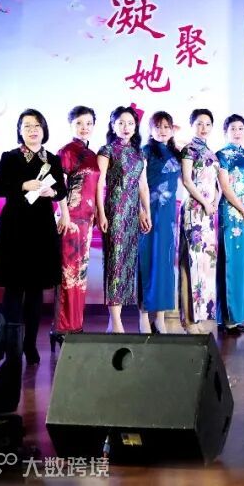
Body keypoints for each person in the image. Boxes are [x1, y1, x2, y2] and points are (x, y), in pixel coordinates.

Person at [0, 109, 68, 365]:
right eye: (27, 126)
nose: (32, 130)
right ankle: (11, 346)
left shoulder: (53, 159)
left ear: (44, 129)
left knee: (35, 291)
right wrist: (23, 185)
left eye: (37, 126)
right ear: (19, 130)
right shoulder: (10, 157)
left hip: (41, 229)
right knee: (14, 290)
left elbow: (61, 191)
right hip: (14, 228)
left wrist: (51, 192)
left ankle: (30, 345)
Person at [96, 106, 151, 333]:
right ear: (113, 126)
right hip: (115, 211)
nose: (125, 127)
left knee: (127, 265)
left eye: (130, 123)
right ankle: (116, 322)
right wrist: (101, 212)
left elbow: (143, 186)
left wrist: (145, 211)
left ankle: (114, 321)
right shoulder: (107, 150)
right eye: (120, 123)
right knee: (115, 263)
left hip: (132, 214)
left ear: (135, 126)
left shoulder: (139, 153)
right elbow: (99, 184)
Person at [53, 106, 100, 348]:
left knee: (79, 275)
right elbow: (58, 186)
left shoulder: (92, 153)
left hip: (87, 220)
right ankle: (63, 327)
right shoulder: (66, 151)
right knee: (68, 274)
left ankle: (76, 324)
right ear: (71, 124)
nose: (84, 127)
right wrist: (64, 215)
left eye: (89, 123)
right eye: (79, 123)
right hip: (70, 219)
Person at [216, 115, 244, 336]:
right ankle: (227, 318)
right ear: (226, 131)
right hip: (232, 215)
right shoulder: (221, 155)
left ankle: (239, 315)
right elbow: (225, 187)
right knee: (231, 263)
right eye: (232, 128)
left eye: (240, 128)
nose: (237, 132)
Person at [139, 111, 181, 335]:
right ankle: (144, 315)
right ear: (150, 130)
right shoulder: (145, 151)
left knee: (165, 264)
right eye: (158, 126)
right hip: (149, 214)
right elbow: (137, 184)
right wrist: (141, 211)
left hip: (168, 217)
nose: (163, 130)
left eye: (167, 126)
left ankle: (161, 318)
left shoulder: (176, 152)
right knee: (147, 262)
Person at [179, 109, 220, 333]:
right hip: (194, 211)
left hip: (208, 214)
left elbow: (216, 184)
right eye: (199, 124)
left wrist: (215, 202)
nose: (203, 128)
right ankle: (189, 320)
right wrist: (205, 202)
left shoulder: (211, 153)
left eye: (207, 124)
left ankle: (200, 316)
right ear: (192, 125)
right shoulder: (189, 150)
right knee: (191, 263)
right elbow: (187, 180)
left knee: (205, 265)